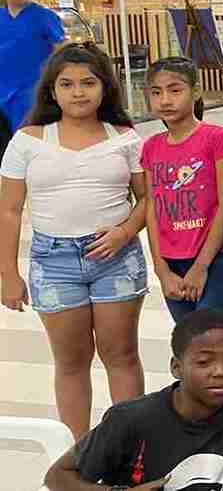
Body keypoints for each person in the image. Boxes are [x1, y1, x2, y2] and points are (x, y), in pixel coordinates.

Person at [0, 44, 147, 439]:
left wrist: (125, 231)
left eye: (88, 83)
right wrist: (8, 274)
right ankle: (76, 453)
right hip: (53, 263)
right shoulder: (27, 141)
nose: (78, 92)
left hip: (117, 261)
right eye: (67, 84)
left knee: (122, 355)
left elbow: (149, 198)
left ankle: (128, 449)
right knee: (70, 362)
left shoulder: (126, 138)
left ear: (105, 88)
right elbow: (9, 210)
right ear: (52, 91)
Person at [44, 309, 223, 491]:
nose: (222, 371)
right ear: (176, 367)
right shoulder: (130, 419)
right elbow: (57, 477)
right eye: (204, 362)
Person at [142, 57, 223, 321]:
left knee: (212, 335)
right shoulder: (151, 147)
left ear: (196, 91)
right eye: (156, 92)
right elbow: (152, 208)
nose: (165, 100)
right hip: (171, 260)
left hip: (214, 257)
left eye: (175, 90)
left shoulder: (217, 138)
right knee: (187, 340)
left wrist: (201, 266)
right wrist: (161, 271)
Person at [0, 0, 65, 139]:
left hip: (33, 88)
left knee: (30, 136)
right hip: (3, 87)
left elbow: (60, 49)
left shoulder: (44, 16)